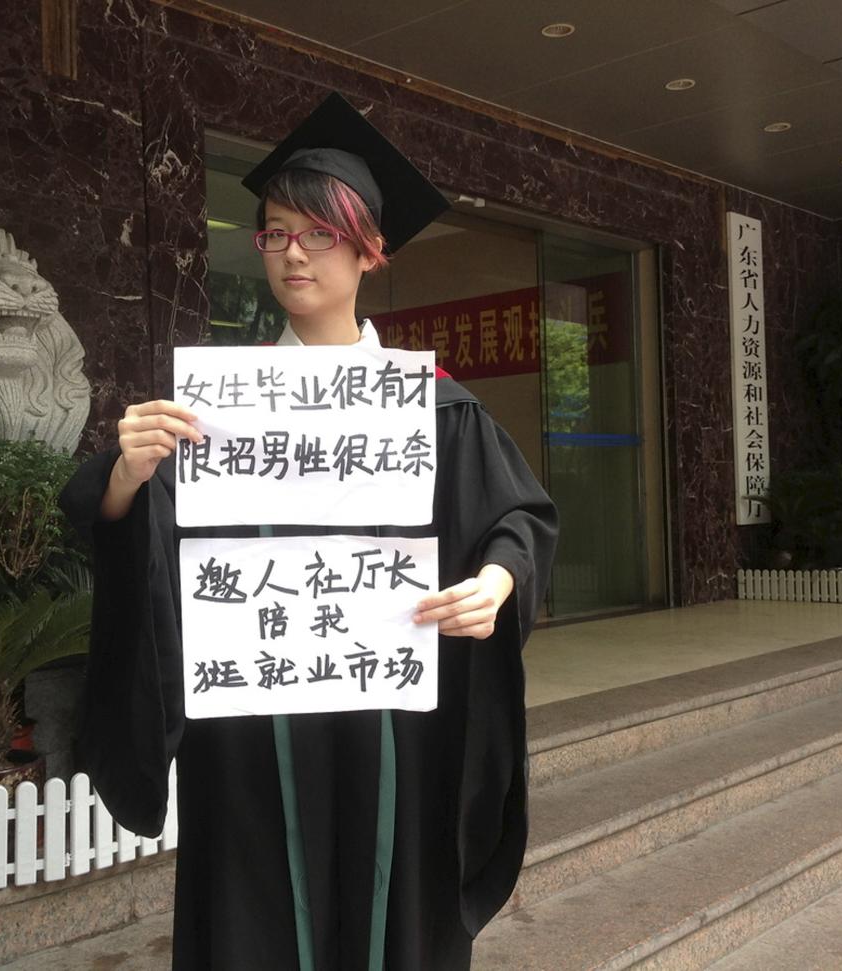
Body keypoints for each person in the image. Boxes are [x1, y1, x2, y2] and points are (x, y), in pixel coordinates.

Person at [61, 92, 558, 971]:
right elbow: (125, 529)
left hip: (393, 726)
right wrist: (125, 477)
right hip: (253, 734)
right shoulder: (219, 410)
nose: (293, 252)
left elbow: (516, 517)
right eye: (275, 232)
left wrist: (498, 581)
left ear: (372, 249)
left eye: (318, 233)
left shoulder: (433, 407)